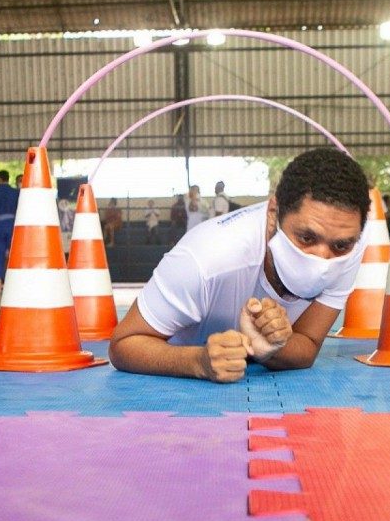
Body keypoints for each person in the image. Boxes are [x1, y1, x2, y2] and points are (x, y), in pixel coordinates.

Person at [109, 147, 369, 383]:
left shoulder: (349, 241)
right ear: (273, 213)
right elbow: (123, 344)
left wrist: (271, 348)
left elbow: (308, 344)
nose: (322, 259)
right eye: (306, 238)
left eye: (340, 246)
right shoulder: (204, 260)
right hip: (175, 379)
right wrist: (198, 361)